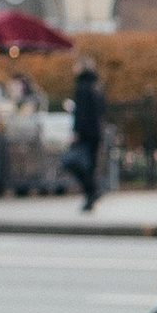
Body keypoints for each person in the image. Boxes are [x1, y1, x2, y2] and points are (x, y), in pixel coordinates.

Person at [66, 55, 107, 213]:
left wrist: (76, 131)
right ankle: (91, 196)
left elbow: (81, 112)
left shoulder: (82, 87)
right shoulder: (96, 86)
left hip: (85, 132)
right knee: (90, 165)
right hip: (96, 131)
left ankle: (92, 190)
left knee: (76, 163)